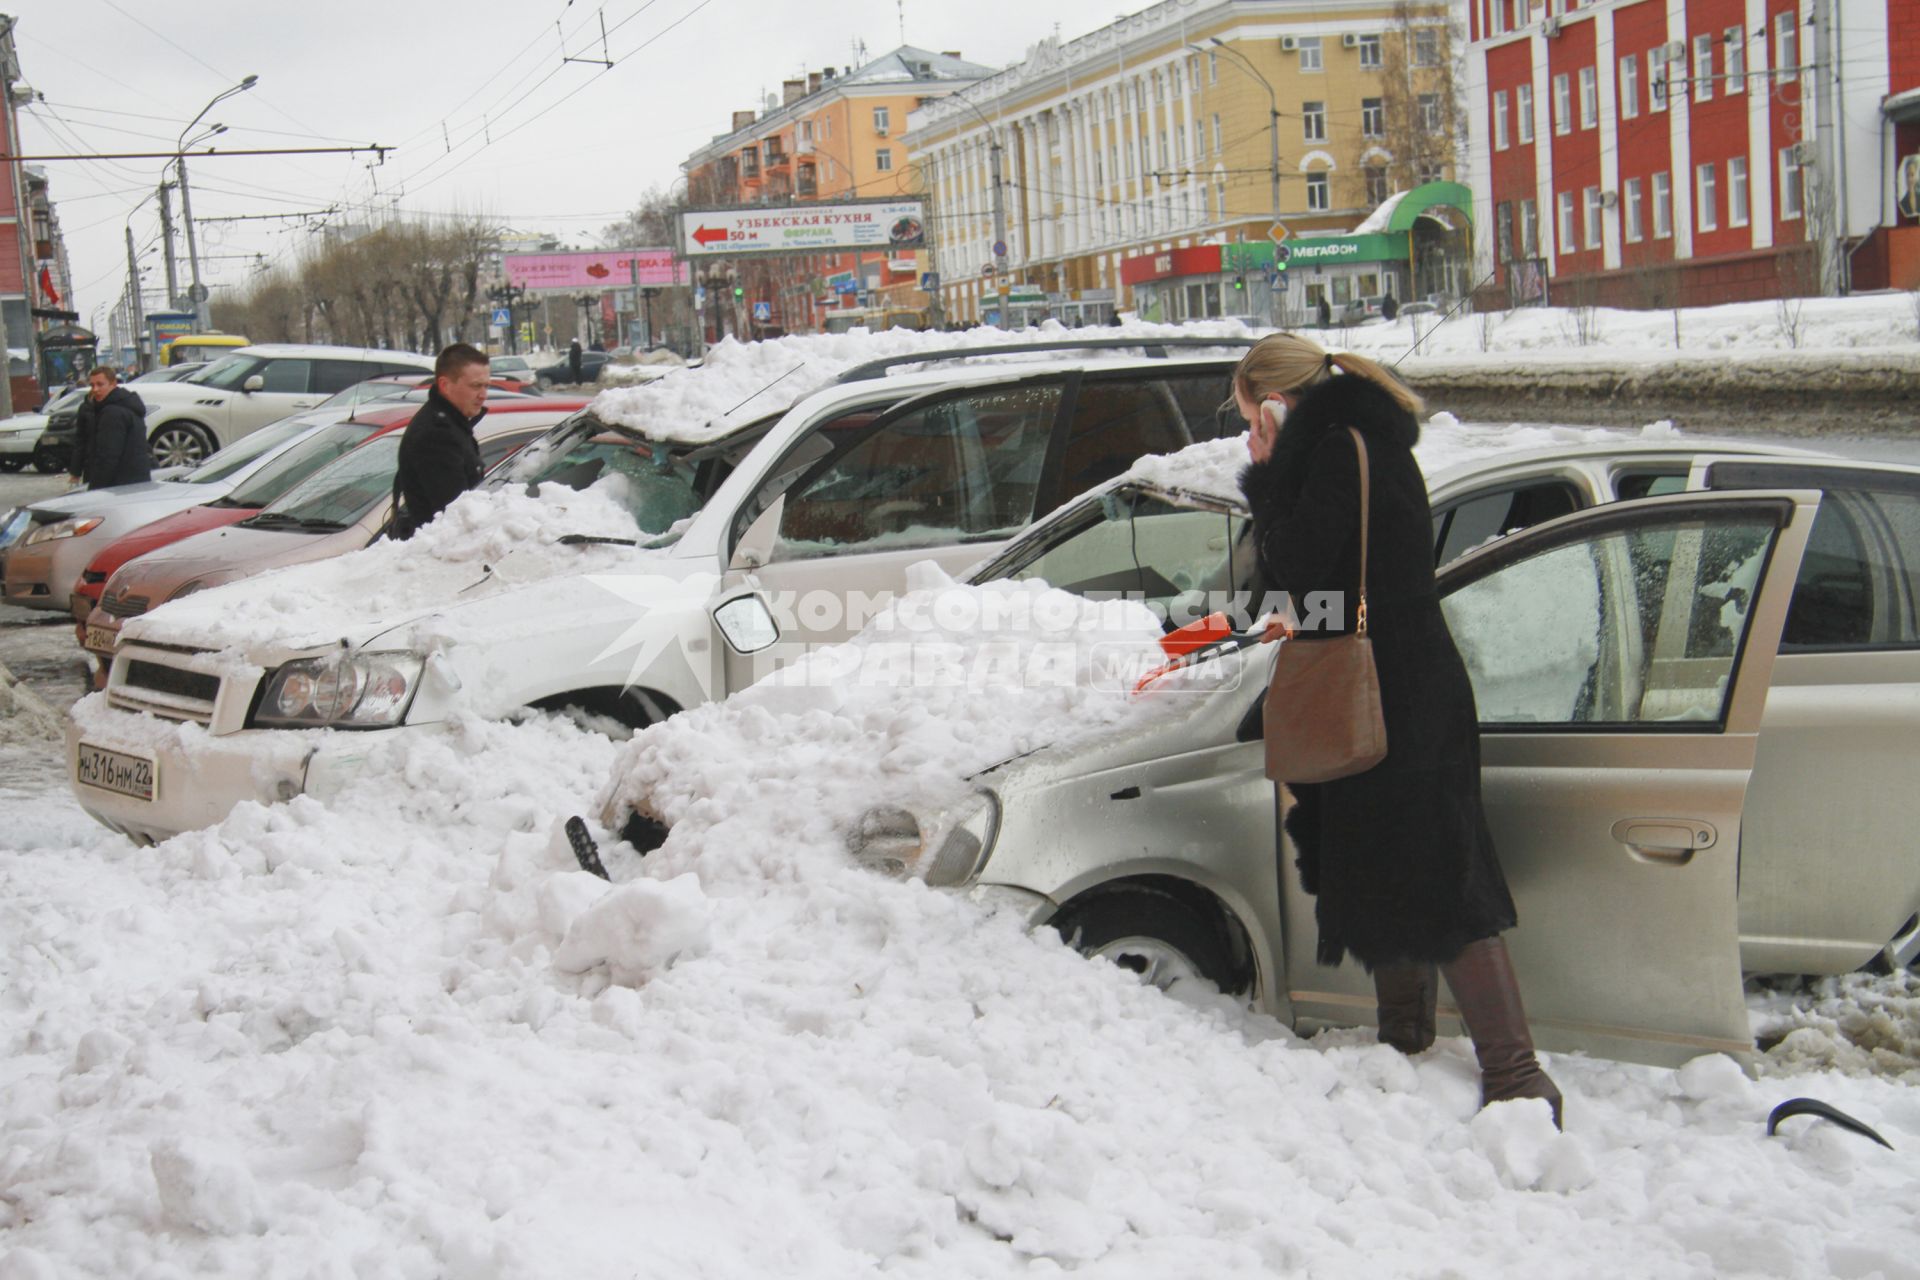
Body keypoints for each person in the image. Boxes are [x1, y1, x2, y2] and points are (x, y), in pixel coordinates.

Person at [1234, 332, 1562, 1126]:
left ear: (1276, 403)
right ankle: (1404, 1041)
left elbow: (1293, 573)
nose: (1247, 433)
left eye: (1250, 417)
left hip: (1385, 690)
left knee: (1439, 874)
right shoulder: (1366, 441)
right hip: (1402, 680)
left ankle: (1518, 1076)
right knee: (1391, 866)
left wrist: (1269, 476)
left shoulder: (1335, 452)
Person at [392, 343, 490, 540]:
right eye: (475, 386)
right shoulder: (436, 435)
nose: (483, 395)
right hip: (447, 551)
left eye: (486, 385)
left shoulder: (453, 424)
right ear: (445, 385)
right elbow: (456, 512)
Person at [74, 366, 151, 490]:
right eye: (92, 385)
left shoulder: (112, 412)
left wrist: (94, 489)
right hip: (136, 480)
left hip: (118, 485)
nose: (95, 389)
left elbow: (108, 456)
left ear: (113, 384)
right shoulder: (127, 404)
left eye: (100, 384)